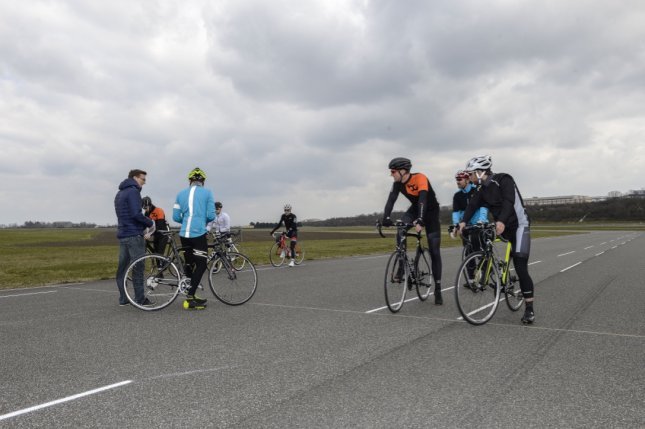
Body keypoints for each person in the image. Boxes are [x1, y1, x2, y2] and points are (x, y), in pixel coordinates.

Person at [459, 155, 536, 324]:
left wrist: (500, 220)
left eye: (471, 174)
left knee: (520, 265)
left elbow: (509, 201)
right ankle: (493, 270)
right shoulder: (481, 190)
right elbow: (472, 206)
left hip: (519, 225)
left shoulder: (504, 179)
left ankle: (529, 308)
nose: (469, 178)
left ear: (480, 172)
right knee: (481, 235)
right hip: (502, 226)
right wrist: (463, 222)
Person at [381, 157, 443, 304]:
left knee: (434, 250)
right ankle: (402, 266)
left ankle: (438, 288)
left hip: (431, 211)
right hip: (415, 209)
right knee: (401, 227)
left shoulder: (420, 178)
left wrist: (421, 219)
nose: (392, 174)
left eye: (393, 171)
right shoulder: (397, 183)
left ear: (403, 171)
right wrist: (386, 218)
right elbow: (391, 200)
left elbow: (423, 199)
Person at [173, 167, 216, 310]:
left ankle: (190, 292)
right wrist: (200, 220)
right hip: (198, 233)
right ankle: (190, 297)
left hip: (184, 233)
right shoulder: (208, 193)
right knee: (202, 264)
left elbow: (175, 217)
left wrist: (186, 220)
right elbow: (211, 216)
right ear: (202, 181)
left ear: (190, 181)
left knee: (190, 263)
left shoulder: (180, 194)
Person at [114, 169, 154, 306]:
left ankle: (123, 298)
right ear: (135, 178)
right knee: (138, 267)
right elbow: (136, 214)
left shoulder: (120, 193)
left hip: (123, 234)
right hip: (134, 235)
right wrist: (150, 222)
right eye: (143, 179)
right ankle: (140, 299)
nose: (144, 182)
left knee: (123, 269)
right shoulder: (133, 192)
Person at [451, 170, 489, 253]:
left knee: (480, 250)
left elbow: (484, 206)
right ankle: (470, 266)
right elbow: (456, 212)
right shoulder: (457, 195)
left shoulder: (477, 190)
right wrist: (455, 224)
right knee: (468, 252)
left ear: (467, 180)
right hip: (466, 225)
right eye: (457, 179)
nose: (457, 181)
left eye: (460, 179)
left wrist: (482, 220)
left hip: (479, 224)